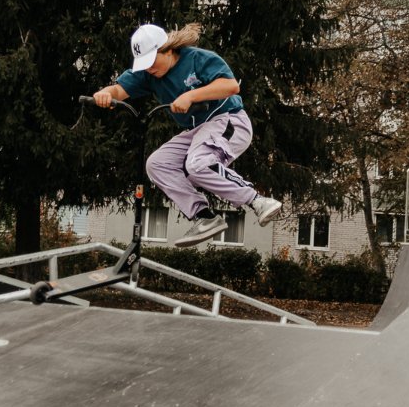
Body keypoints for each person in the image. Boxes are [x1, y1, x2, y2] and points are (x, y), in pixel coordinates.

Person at [92, 23, 282, 247]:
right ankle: (204, 217)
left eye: (152, 61)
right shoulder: (147, 74)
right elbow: (118, 90)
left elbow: (230, 86)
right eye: (144, 64)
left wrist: (191, 96)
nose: (149, 68)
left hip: (229, 120)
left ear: (167, 50)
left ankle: (257, 201)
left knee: (197, 163)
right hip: (198, 131)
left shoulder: (197, 59)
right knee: (157, 164)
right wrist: (105, 93)